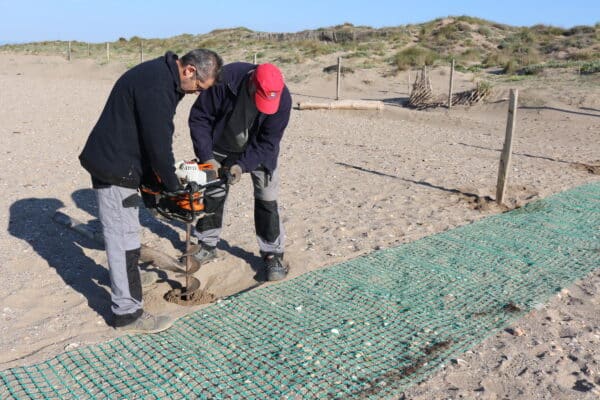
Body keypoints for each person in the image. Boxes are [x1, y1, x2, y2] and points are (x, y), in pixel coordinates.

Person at [79, 49, 223, 333]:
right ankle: (128, 314)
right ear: (190, 71)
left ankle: (126, 283)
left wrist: (158, 184)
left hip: (125, 162)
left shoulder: (162, 76)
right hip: (114, 166)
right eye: (198, 88)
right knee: (122, 240)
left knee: (129, 234)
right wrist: (171, 187)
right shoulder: (158, 85)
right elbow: (158, 144)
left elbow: (152, 139)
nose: (196, 93)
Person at [188, 62, 292, 281]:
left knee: (267, 199)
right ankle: (207, 244)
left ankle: (272, 253)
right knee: (212, 195)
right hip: (219, 146)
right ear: (252, 83)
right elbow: (200, 117)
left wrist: (242, 166)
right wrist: (206, 156)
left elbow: (268, 141)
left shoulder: (283, 98)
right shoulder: (223, 80)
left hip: (259, 152)